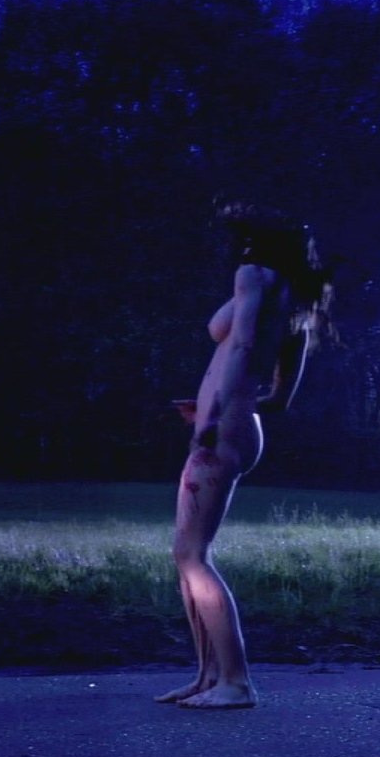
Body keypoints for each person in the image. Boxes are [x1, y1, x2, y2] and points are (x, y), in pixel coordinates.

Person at [156, 201, 331, 710]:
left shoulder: (254, 276)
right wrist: (215, 405)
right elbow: (280, 396)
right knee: (188, 555)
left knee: (192, 555)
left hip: (224, 431)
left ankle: (235, 682)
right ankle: (207, 678)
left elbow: (243, 346)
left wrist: (212, 416)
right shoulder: (296, 302)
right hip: (239, 426)